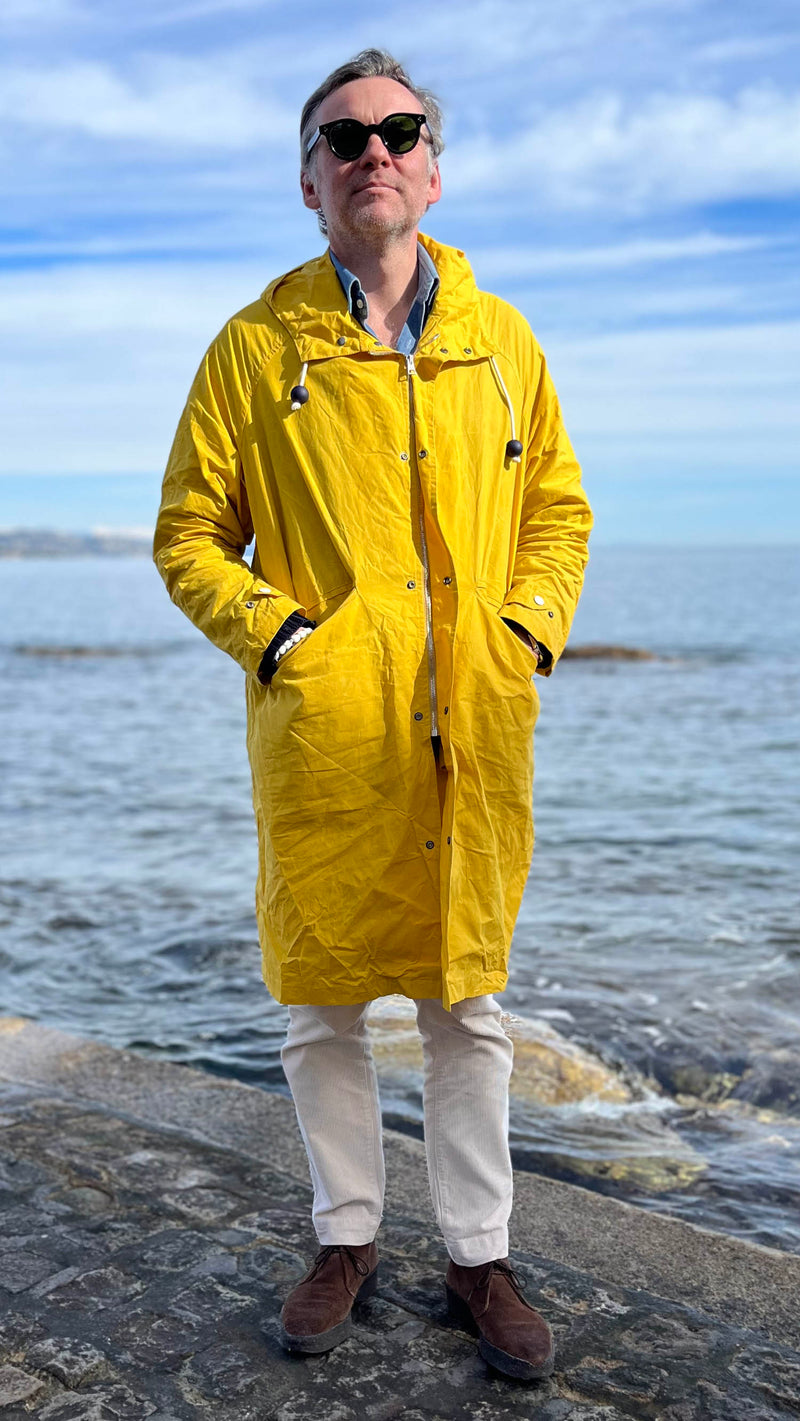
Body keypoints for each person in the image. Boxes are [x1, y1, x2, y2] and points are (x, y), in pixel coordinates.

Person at [153, 48, 592, 1383]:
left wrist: (523, 633)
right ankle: (346, 1233)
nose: (374, 152)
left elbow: (558, 512)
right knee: (321, 999)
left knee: (468, 1001)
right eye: (344, 139)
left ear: (434, 167)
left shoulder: (503, 342)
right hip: (331, 730)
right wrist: (287, 638)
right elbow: (187, 534)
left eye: (399, 132)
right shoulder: (255, 344)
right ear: (310, 183)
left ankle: (479, 1254)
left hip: (473, 720)